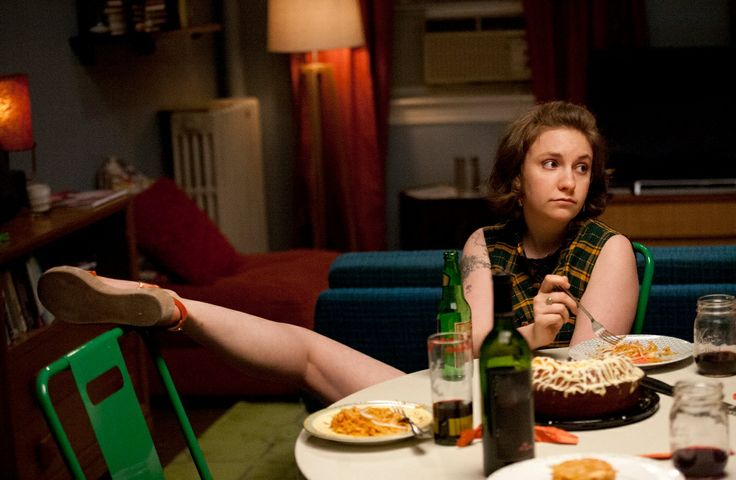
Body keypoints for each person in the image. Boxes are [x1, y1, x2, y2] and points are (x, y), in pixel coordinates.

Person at [37, 100, 638, 405]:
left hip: (545, 424)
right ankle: (166, 304)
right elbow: (469, 352)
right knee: (306, 349)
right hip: (461, 399)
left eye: (582, 167)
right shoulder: (485, 243)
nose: (569, 181)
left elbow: (593, 379)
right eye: (551, 163)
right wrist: (531, 334)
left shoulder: (608, 251)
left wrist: (536, 341)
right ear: (518, 176)